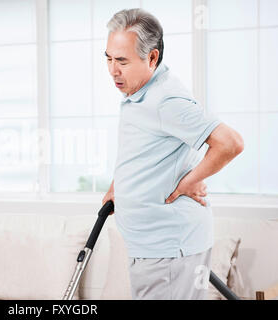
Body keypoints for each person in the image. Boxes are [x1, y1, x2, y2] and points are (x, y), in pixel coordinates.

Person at [101, 8, 244, 300]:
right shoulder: (138, 94)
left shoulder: (166, 100)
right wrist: (117, 187)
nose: (113, 70)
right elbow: (140, 151)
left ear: (152, 58)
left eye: (122, 61)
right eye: (109, 58)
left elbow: (230, 143)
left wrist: (190, 181)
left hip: (168, 251)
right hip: (152, 248)